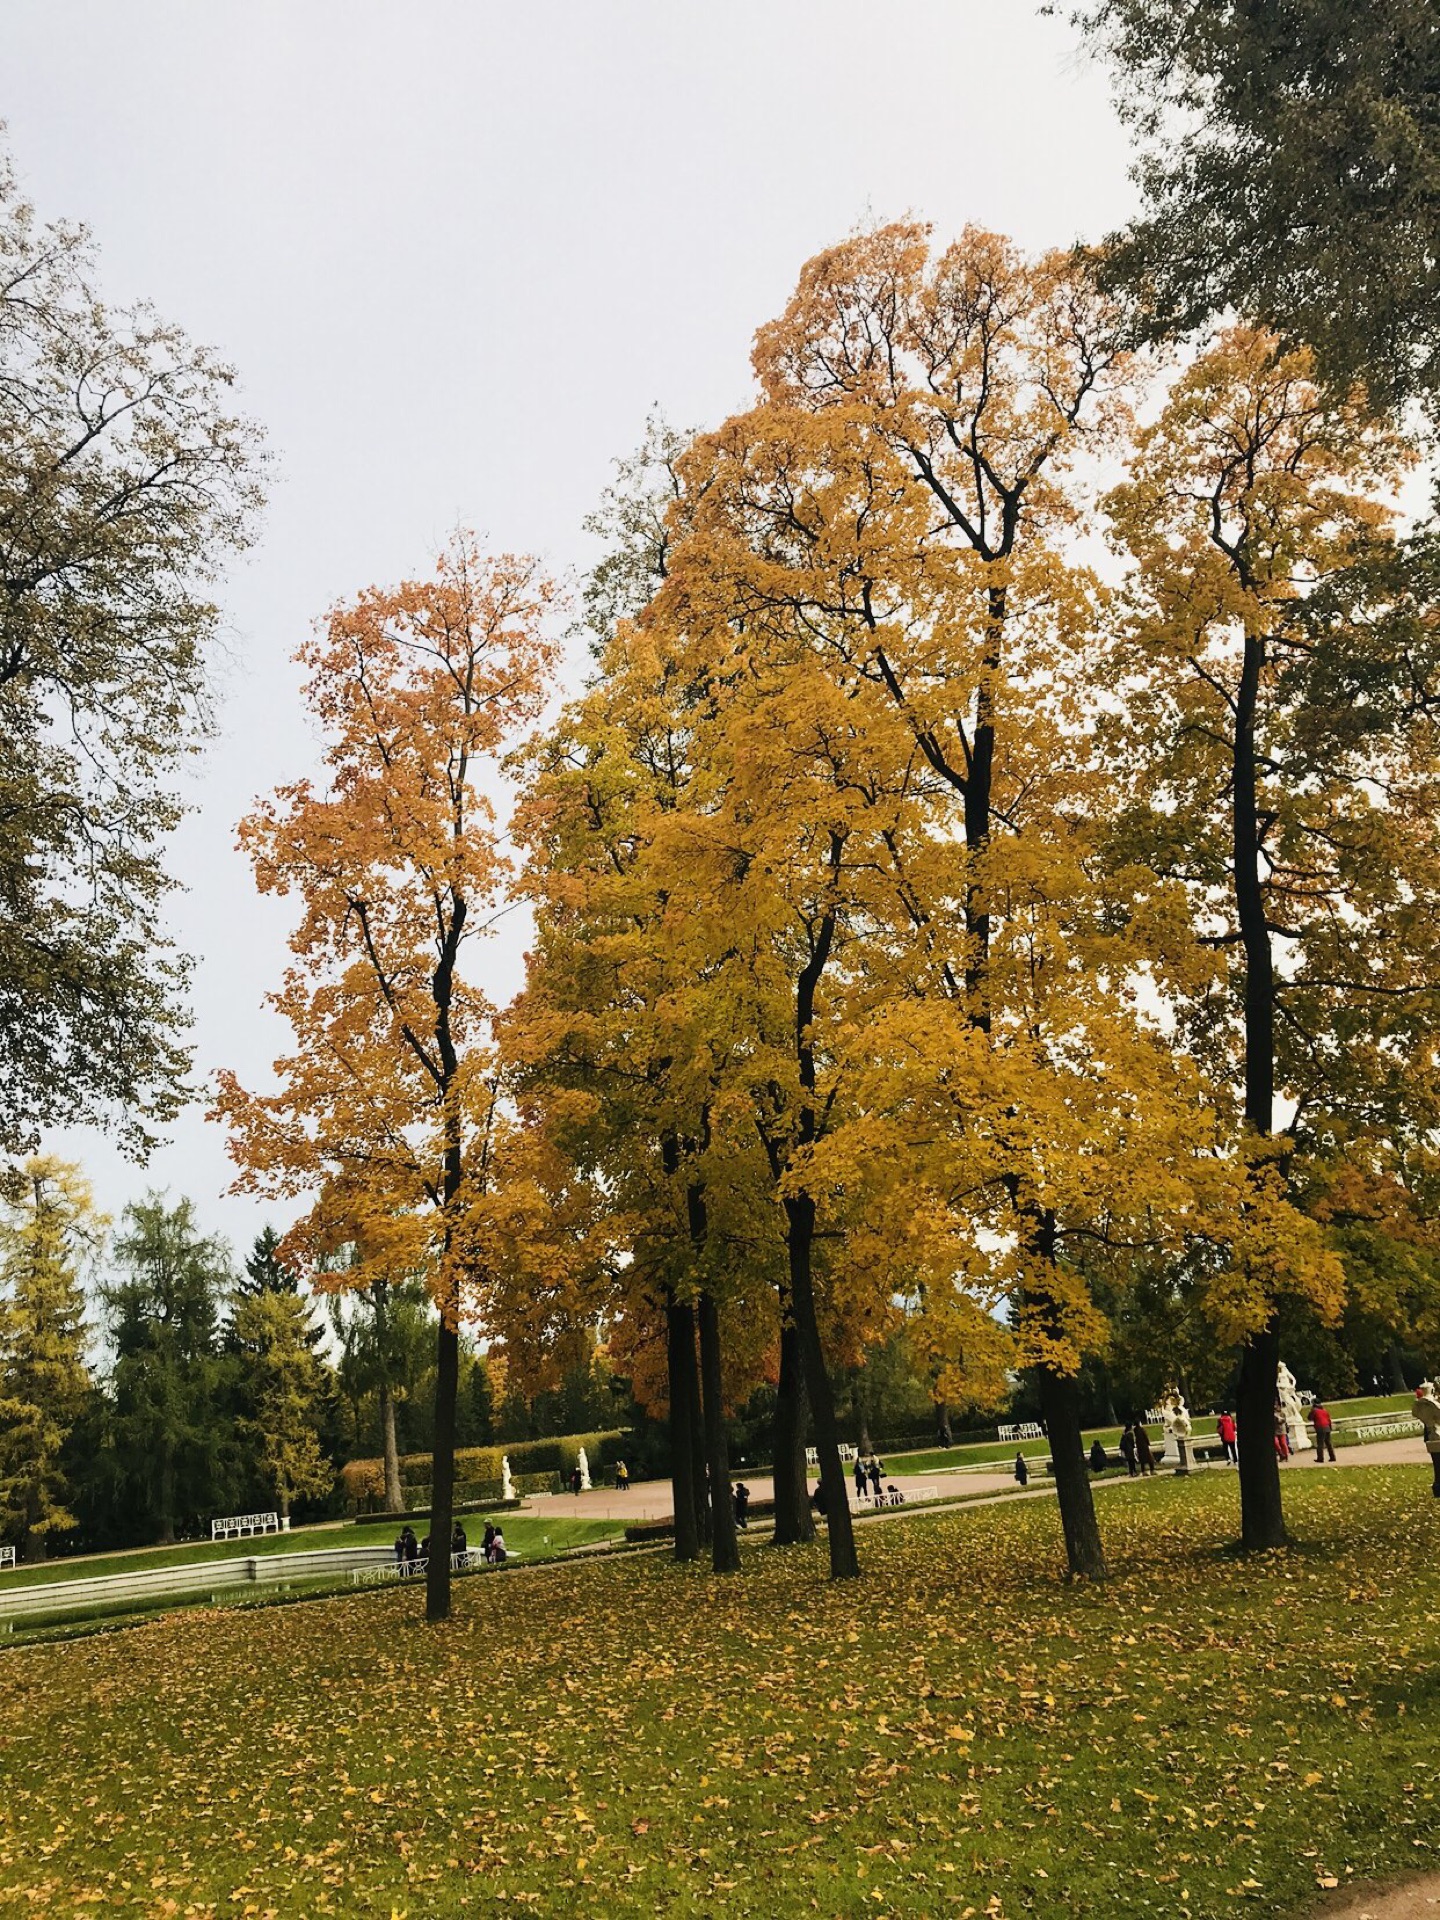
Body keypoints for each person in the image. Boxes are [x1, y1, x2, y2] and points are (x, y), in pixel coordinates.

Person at [1414, 1383, 1440, 1497]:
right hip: (1437, 1433)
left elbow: (1415, 1413)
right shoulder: (1434, 1405)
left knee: (1437, 1464)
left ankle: (1438, 1485)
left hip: (1431, 1434)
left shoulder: (1418, 1405)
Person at [1311, 1399, 1337, 1463]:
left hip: (1320, 1428)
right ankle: (1332, 1457)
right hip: (1327, 1427)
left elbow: (1310, 1417)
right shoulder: (1324, 1410)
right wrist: (1330, 1428)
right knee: (1328, 1443)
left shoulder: (1314, 1410)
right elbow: (1329, 1419)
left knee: (1320, 1444)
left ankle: (1320, 1458)